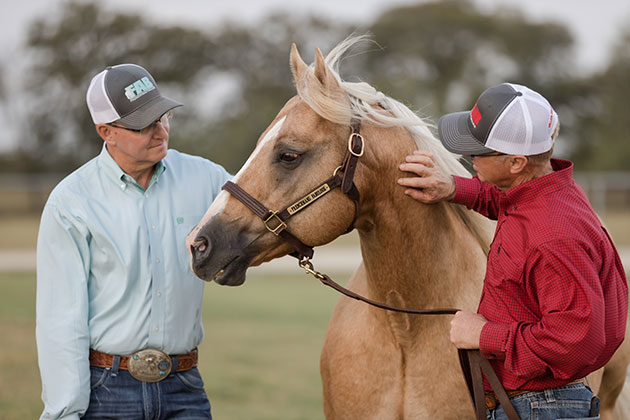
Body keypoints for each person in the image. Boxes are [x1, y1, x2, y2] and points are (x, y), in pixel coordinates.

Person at [397, 83, 628, 419]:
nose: (468, 158)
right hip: (537, 402)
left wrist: (483, 334)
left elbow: (573, 341)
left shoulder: (554, 237)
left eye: (478, 152)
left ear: (517, 162)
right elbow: (508, 204)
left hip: (543, 406)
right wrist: (452, 187)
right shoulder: (544, 193)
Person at [36, 64, 232, 419]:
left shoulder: (207, 178)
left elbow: (267, 217)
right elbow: (61, 318)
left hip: (184, 387)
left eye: (163, 116)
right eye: (144, 123)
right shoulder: (71, 202)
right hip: (107, 391)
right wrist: (65, 412)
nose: (161, 130)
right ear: (106, 131)